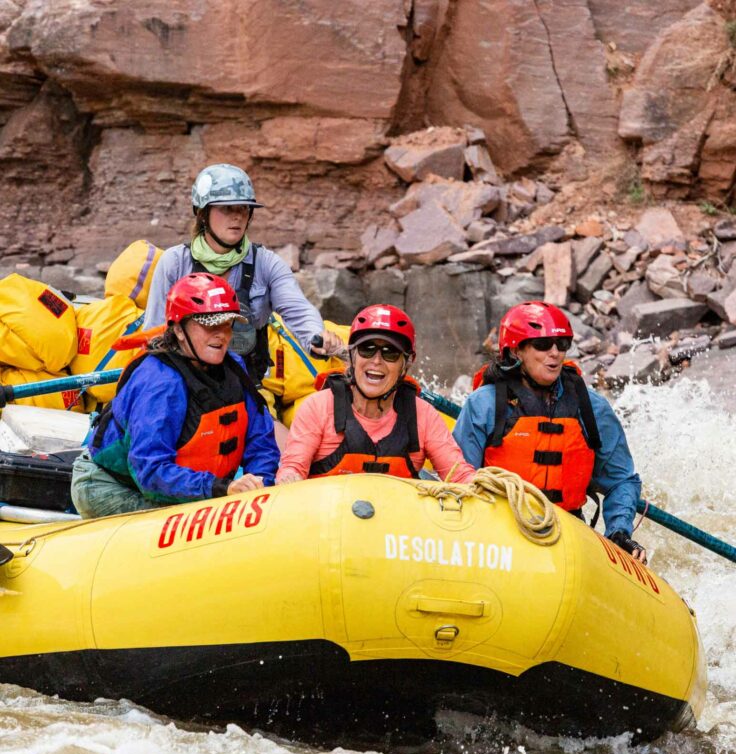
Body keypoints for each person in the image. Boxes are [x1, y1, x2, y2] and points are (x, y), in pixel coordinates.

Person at [71, 273, 280, 518]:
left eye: (227, 324)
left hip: (197, 488)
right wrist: (221, 489)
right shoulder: (160, 382)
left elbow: (261, 442)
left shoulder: (234, 367)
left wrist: (260, 485)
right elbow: (151, 472)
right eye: (209, 324)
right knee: (199, 521)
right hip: (112, 487)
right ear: (179, 330)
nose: (221, 334)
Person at [453, 301, 647, 563]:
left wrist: (618, 530)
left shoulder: (592, 408)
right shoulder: (485, 404)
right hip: (498, 534)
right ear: (517, 350)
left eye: (562, 344)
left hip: (567, 532)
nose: (555, 353)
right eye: (543, 344)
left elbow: (622, 480)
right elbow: (459, 481)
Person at [142, 163, 342, 382]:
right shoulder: (174, 262)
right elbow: (155, 333)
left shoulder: (267, 263)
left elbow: (298, 310)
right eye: (227, 208)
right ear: (202, 212)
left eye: (244, 208)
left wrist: (317, 336)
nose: (237, 216)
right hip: (186, 381)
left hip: (248, 384)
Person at [276, 304, 475, 484]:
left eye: (390, 353)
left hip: (398, 523)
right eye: (367, 349)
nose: (377, 361)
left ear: (407, 363)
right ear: (352, 354)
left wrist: (486, 485)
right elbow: (292, 469)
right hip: (329, 521)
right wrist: (288, 480)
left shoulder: (423, 415)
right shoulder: (318, 407)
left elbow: (459, 475)